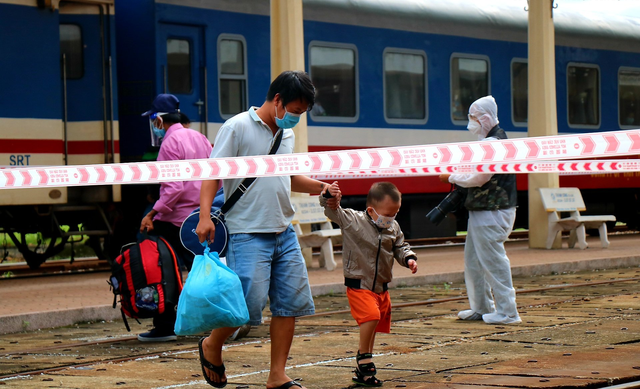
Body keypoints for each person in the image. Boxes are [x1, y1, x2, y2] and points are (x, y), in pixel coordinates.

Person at [195, 71, 330, 389]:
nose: (296, 118)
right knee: (245, 305)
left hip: (284, 230)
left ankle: (277, 376)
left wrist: (321, 187)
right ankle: (212, 345)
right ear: (278, 100)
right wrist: (204, 217)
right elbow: (211, 174)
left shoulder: (286, 135)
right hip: (247, 231)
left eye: (301, 113)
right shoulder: (237, 127)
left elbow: (290, 176)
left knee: (289, 305)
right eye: (295, 111)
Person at [319, 181, 417, 387]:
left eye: (395, 214)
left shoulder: (393, 226)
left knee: (374, 324)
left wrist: (408, 258)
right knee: (370, 317)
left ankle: (363, 374)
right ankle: (364, 358)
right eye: (388, 214)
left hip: (381, 285)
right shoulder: (353, 220)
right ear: (371, 210)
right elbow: (331, 210)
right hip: (358, 282)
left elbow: (400, 246)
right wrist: (328, 194)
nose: (391, 219)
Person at [439, 95, 520, 325]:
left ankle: (508, 312)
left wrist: (451, 176)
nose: (470, 122)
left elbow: (480, 178)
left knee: (494, 261)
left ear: (484, 119)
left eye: (473, 118)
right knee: (474, 261)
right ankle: (482, 307)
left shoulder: (492, 143)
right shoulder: (492, 141)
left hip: (492, 212)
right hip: (484, 211)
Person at [138, 93, 212, 342]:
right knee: (202, 269)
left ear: (158, 120)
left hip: (175, 218)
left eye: (153, 120)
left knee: (163, 269)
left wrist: (153, 213)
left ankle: (166, 324)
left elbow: (173, 188)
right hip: (200, 216)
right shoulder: (200, 137)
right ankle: (213, 320)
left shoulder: (169, 144)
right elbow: (216, 176)